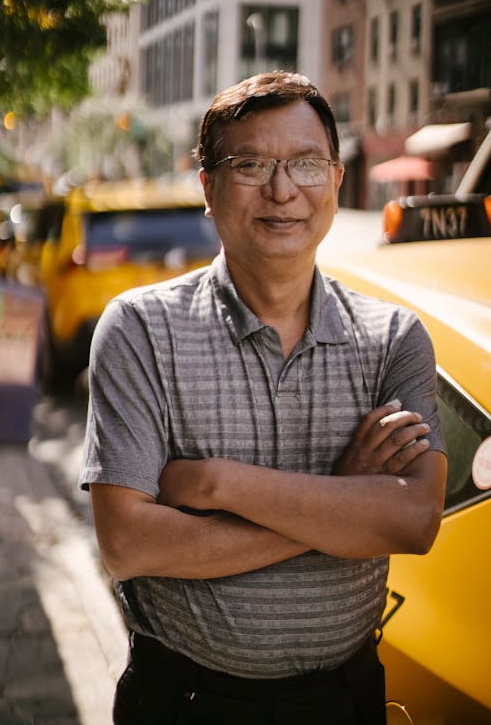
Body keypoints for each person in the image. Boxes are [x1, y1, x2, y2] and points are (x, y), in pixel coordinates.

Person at [80, 71, 447, 725]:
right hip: (185, 702)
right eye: (250, 164)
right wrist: (341, 503)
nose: (283, 190)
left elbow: (414, 520)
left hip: (346, 700)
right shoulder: (139, 328)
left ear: (335, 181)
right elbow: (129, 544)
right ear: (208, 189)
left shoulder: (394, 338)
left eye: (306, 164)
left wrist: (219, 483)